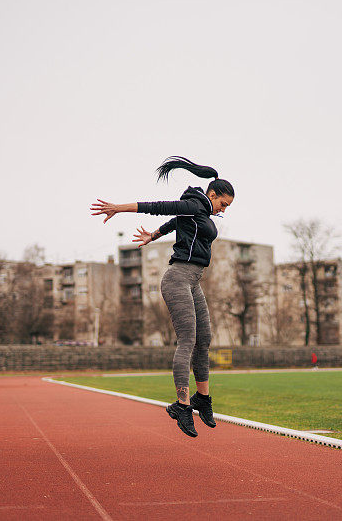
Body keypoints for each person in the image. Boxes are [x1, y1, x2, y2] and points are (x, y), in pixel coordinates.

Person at [90, 156, 234, 437]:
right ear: (212, 194)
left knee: (204, 339)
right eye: (223, 204)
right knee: (188, 340)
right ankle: (182, 405)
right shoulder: (194, 205)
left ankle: (201, 399)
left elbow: (173, 222)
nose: (222, 210)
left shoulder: (198, 213)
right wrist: (118, 209)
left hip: (193, 281)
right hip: (178, 279)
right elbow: (158, 207)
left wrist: (153, 236)